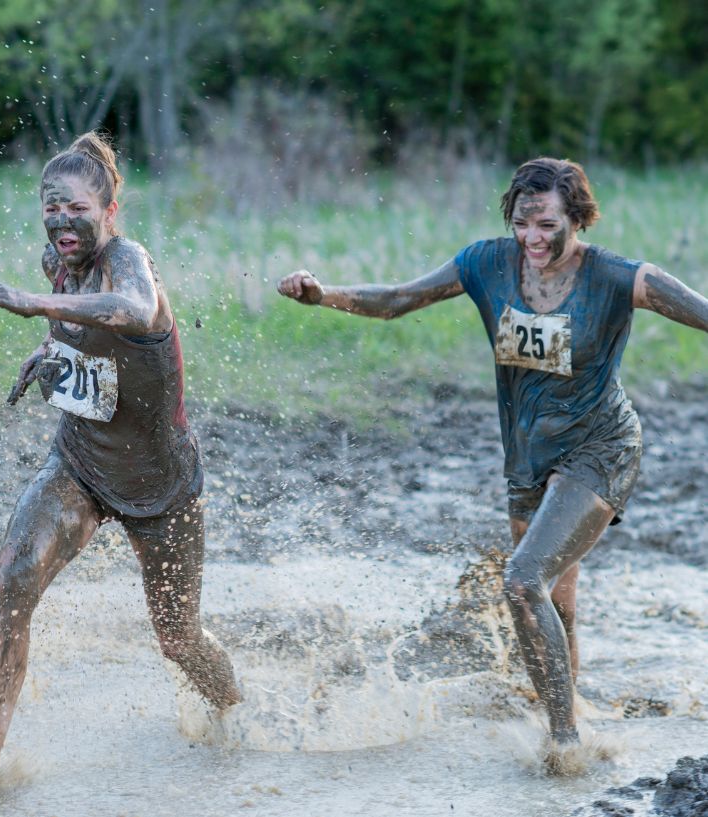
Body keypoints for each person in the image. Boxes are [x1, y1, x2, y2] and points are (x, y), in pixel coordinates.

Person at [278, 157, 708, 767]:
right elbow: (398, 299)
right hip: (528, 459)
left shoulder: (619, 277)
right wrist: (325, 295)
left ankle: (564, 745)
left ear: (576, 218)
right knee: (556, 603)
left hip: (601, 448)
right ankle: (568, 708)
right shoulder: (486, 264)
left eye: (547, 225)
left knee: (520, 580)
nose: (533, 239)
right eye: (522, 223)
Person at [0, 132, 241, 798]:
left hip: (162, 486)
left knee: (179, 639)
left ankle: (239, 715)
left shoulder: (130, 260)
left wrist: (36, 305)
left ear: (111, 208)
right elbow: (77, 328)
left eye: (76, 208)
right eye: (49, 207)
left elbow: (132, 310)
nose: (61, 220)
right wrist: (47, 349)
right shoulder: (58, 263)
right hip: (81, 463)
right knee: (11, 580)